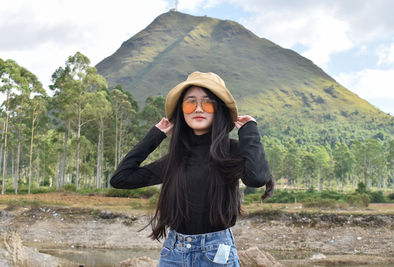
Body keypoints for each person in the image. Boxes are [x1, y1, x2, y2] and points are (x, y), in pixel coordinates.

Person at [110, 71, 274, 266]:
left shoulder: (232, 151)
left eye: (207, 102)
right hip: (174, 253)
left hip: (217, 253)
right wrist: (155, 135)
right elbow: (121, 178)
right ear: (182, 110)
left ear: (218, 109)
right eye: (190, 102)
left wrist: (249, 132)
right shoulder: (175, 159)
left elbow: (256, 178)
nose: (198, 109)